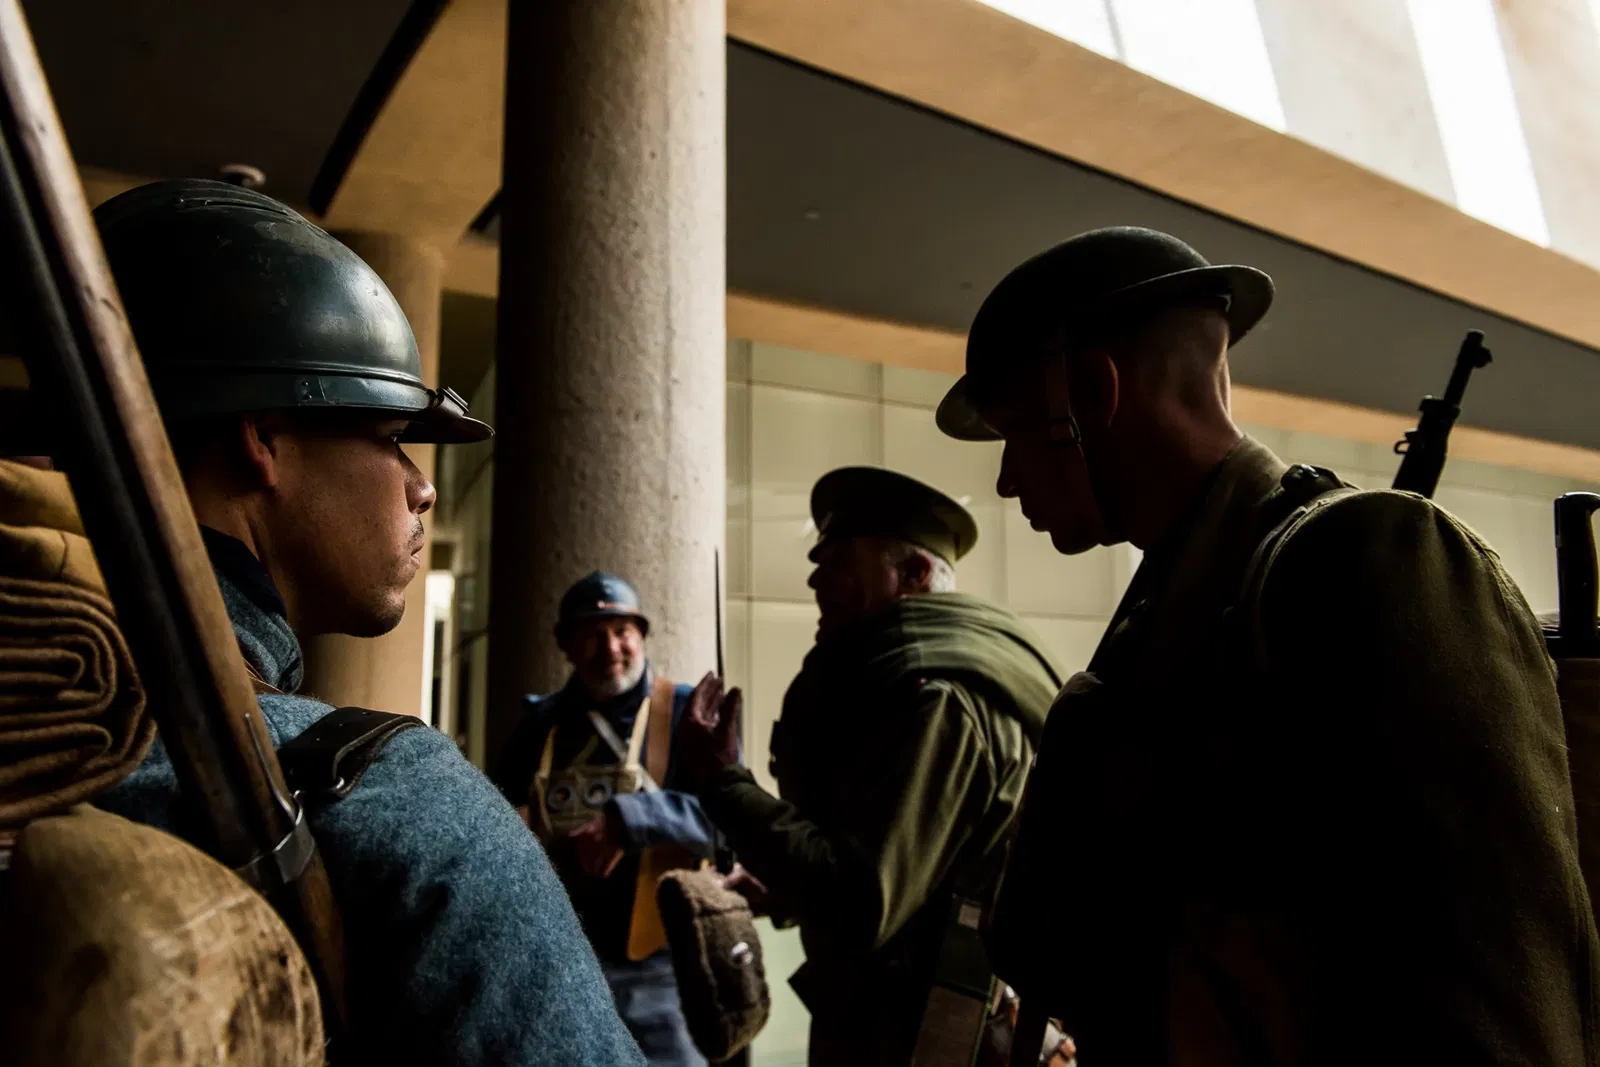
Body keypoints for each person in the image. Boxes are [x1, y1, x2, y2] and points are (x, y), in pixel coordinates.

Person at [936, 225, 1600, 1064]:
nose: (1007, 480)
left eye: (1019, 435)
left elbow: (1494, 991)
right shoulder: (1177, 607)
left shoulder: (1364, 561)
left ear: (1095, 394)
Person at [81, 179, 645, 1065]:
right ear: (263, 438)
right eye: (389, 436)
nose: (421, 484)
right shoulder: (399, 798)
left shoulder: (50, 715)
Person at [676, 466, 1063, 1066]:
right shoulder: (899, 685)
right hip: (893, 1026)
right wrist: (781, 885)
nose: (814, 576)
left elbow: (859, 904)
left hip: (934, 1037)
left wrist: (725, 781)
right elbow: (903, 870)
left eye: (840, 559)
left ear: (914, 574)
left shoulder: (939, 700)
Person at [493, 572, 717, 1067]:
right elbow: (497, 818)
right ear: (565, 645)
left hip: (658, 968)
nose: (610, 647)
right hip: (557, 961)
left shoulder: (682, 714)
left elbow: (723, 823)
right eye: (593, 633)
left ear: (641, 636)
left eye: (622, 631)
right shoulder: (540, 723)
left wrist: (628, 819)